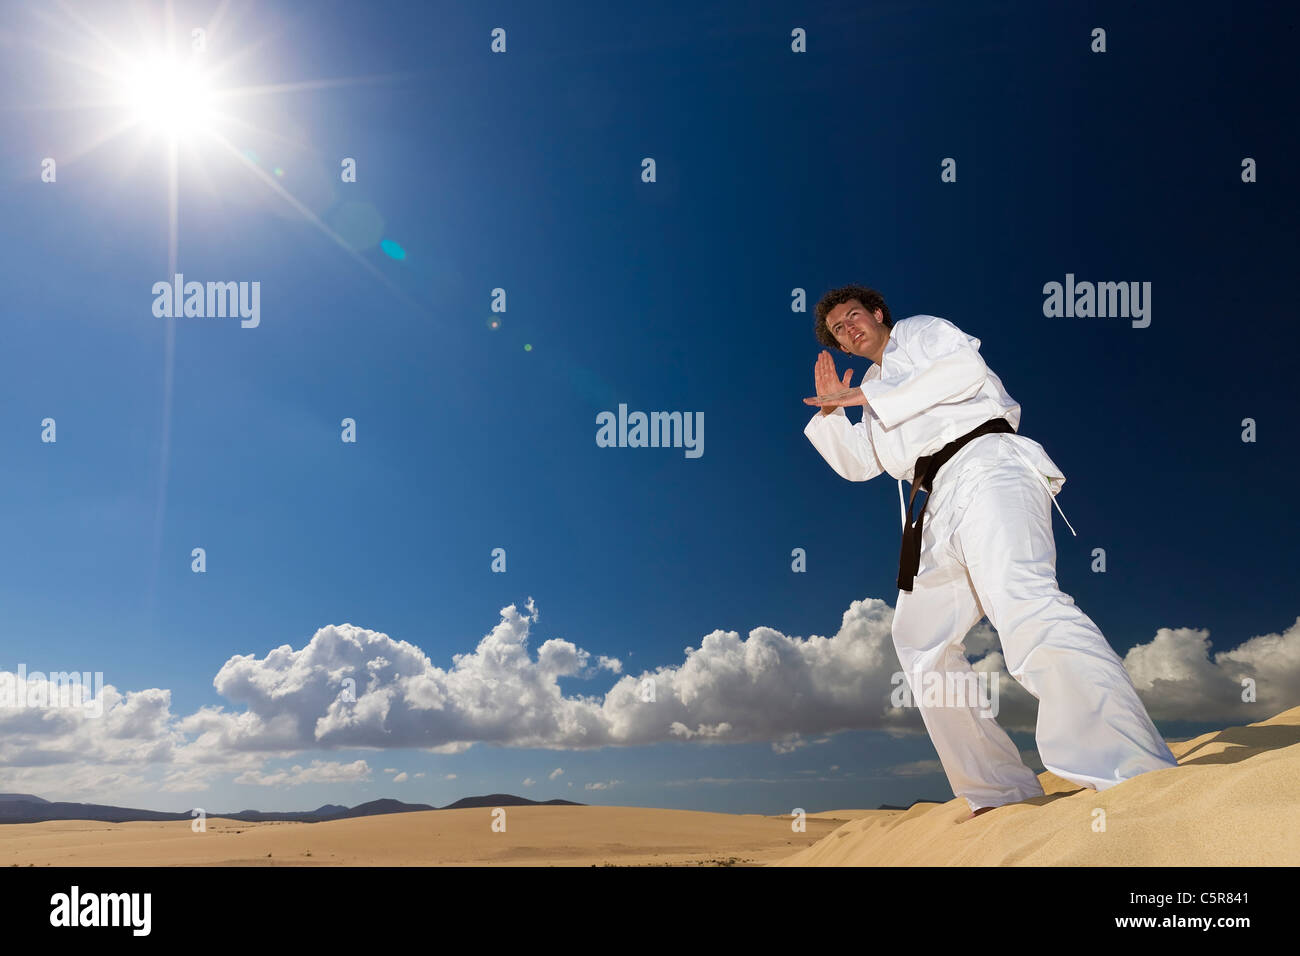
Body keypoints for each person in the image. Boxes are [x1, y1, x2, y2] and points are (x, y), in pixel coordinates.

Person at [802, 284, 1179, 819]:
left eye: (854, 316)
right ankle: (999, 792)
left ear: (879, 313)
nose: (849, 329)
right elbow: (862, 464)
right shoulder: (870, 385)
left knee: (1022, 600)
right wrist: (833, 415)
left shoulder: (921, 332)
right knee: (918, 642)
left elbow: (964, 372)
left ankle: (1129, 769)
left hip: (986, 464)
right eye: (838, 329)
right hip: (931, 506)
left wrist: (869, 399)